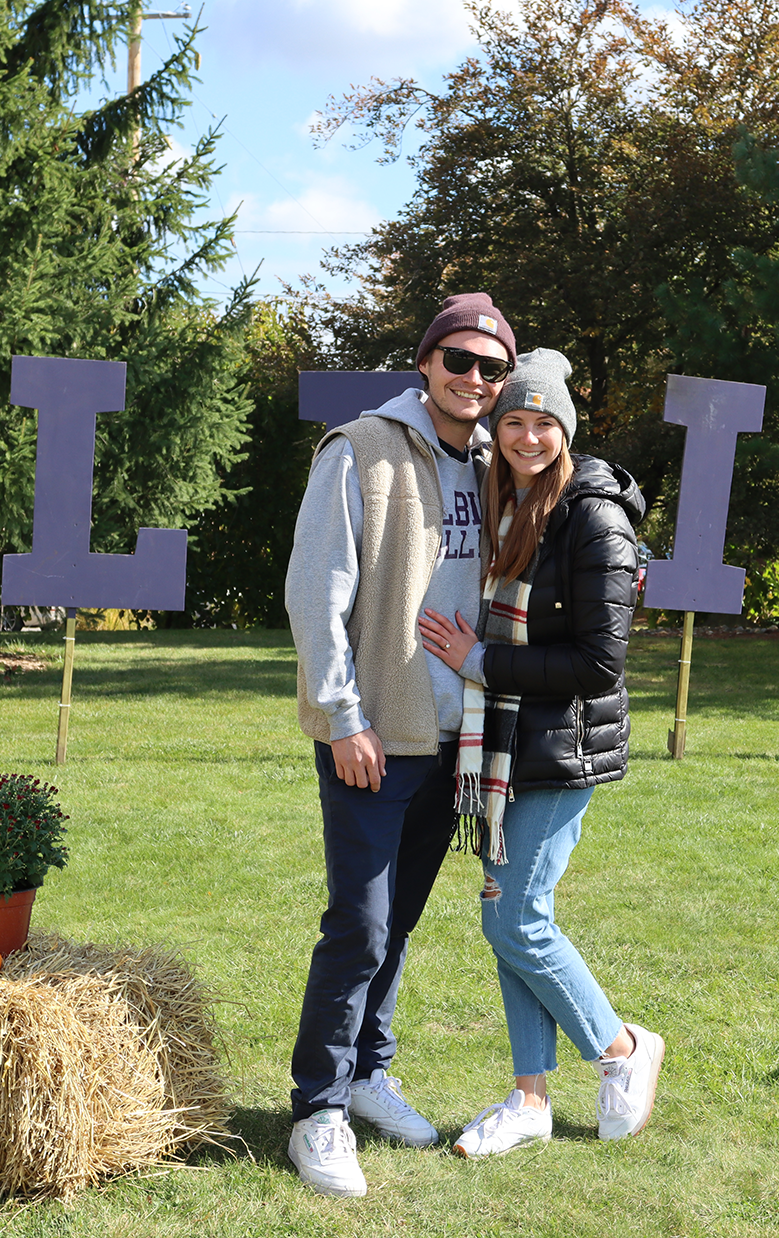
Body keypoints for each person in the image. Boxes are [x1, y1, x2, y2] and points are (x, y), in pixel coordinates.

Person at [283, 292, 517, 1197]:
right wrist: (344, 717)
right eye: (458, 359)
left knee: (400, 923)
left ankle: (368, 1075)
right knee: (361, 924)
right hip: (376, 734)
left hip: (456, 737)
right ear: (425, 362)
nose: (473, 378)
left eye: (491, 368)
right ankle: (317, 1110)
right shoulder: (361, 450)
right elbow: (316, 593)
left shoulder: (495, 463)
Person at [417, 348, 665, 1159]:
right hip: (509, 744)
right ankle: (530, 1099)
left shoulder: (593, 516)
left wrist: (480, 662)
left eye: (543, 422)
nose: (527, 436)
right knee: (508, 919)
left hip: (562, 746)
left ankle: (621, 1049)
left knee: (517, 918)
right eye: (514, 420)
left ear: (567, 430)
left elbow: (599, 663)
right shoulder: (510, 501)